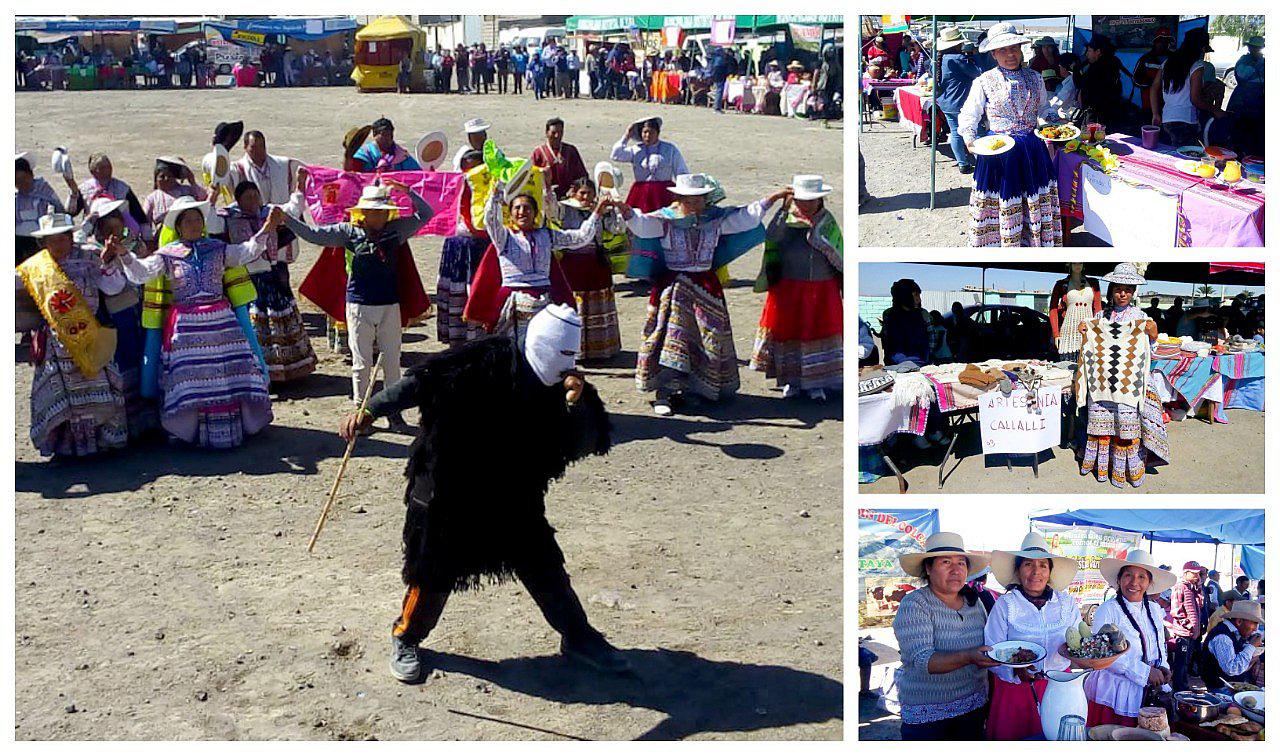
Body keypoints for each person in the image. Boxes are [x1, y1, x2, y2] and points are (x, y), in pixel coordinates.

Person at [337, 306, 628, 681]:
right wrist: (371, 410)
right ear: (538, 344)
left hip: (512, 495)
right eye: (559, 354)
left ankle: (580, 639)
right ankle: (406, 636)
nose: (565, 365)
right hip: (448, 488)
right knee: (432, 573)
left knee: (544, 566)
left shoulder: (567, 389)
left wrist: (577, 406)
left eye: (571, 357)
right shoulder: (482, 360)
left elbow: (584, 443)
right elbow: (421, 382)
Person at [107, 196, 282, 448]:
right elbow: (141, 273)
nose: (193, 224)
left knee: (228, 374)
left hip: (222, 324)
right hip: (187, 329)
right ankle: (192, 432)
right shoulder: (167, 255)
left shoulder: (217, 248)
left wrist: (267, 228)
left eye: (197, 219)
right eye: (188, 220)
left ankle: (235, 427)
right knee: (191, 379)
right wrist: (125, 254)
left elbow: (246, 252)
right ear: (178, 226)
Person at [620, 174, 784, 416]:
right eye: (690, 199)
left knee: (708, 338)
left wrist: (774, 198)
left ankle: (695, 389)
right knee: (671, 339)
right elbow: (640, 224)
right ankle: (664, 392)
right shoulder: (664, 220)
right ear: (679, 198)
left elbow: (746, 217)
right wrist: (623, 209)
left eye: (699, 199)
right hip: (674, 290)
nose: (695, 204)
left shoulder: (715, 220)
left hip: (706, 288)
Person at [287, 175, 432, 422]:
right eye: (376, 212)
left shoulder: (396, 229)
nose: (381, 217)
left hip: (389, 305)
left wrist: (407, 191)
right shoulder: (348, 232)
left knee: (392, 361)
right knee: (362, 363)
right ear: (364, 212)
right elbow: (314, 234)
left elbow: (426, 214)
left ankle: (392, 412)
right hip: (359, 305)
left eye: (384, 212)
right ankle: (361, 412)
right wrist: (287, 220)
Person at [15, 211, 130, 457]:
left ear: (70, 237)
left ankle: (101, 443)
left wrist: (108, 261)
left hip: (89, 335)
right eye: (52, 239)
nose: (58, 243)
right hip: (57, 344)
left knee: (97, 391)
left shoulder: (89, 257)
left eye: (62, 237)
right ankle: (67, 448)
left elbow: (114, 286)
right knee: (63, 397)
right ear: (43, 243)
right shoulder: (37, 268)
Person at [958, 23, 1062, 247]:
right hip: (998, 151)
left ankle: (1033, 242)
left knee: (1032, 198)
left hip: (1032, 150)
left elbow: (1044, 109)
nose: (1010, 54)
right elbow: (969, 114)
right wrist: (969, 138)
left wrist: (1055, 121)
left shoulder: (1035, 77)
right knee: (1003, 198)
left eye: (1014, 48)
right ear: (994, 54)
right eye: (1003, 50)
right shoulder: (984, 81)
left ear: (1021, 49)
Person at [463, 176, 600, 345]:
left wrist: (597, 213)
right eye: (517, 208)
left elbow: (580, 238)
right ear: (511, 214)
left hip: (544, 299)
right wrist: (496, 194)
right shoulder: (504, 237)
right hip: (513, 300)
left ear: (535, 213)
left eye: (527, 208)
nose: (522, 212)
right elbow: (490, 220)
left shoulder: (547, 235)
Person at [893, 532, 1000, 740]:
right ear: (928, 568)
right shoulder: (915, 604)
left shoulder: (974, 602)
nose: (955, 570)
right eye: (945, 562)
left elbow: (990, 646)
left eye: (961, 563)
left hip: (974, 707)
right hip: (929, 717)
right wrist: (969, 656)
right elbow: (922, 661)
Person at [750, 175, 842, 401]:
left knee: (818, 333)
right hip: (789, 289)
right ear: (793, 200)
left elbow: (839, 253)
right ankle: (791, 381)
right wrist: (783, 212)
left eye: (813, 200)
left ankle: (816, 383)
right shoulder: (784, 220)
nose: (808, 205)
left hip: (821, 290)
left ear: (821, 200)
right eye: (802, 200)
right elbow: (771, 238)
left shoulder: (827, 221)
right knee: (789, 334)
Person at [216, 180, 316, 384]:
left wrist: (299, 186)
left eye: (256, 196)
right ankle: (262, 372)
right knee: (255, 325)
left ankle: (289, 371)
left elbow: (294, 208)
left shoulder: (270, 213)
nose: (253, 201)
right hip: (247, 280)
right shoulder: (228, 218)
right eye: (248, 197)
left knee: (281, 320)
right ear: (238, 201)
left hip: (272, 275)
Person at [1078, 264, 1168, 487]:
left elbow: (1150, 348)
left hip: (1128, 385)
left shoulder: (1140, 317)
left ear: (1133, 292)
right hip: (1102, 384)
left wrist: (1152, 335)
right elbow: (1091, 343)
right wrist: (1084, 329)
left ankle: (1126, 473)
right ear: (1112, 290)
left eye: (1127, 290)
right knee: (1102, 429)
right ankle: (1103, 469)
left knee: (1125, 430)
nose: (1122, 294)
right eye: (1118, 289)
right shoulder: (1100, 316)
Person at [984, 533, 1081, 740]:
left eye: (1043, 565)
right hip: (1015, 690)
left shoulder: (1066, 603)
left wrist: (1084, 656)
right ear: (1018, 571)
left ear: (1049, 572)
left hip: (1058, 687)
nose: (1036, 572)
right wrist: (1014, 671)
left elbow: (1076, 644)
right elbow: (992, 651)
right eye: (1028, 564)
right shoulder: (1006, 605)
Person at [81, 197, 159, 439]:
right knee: (123, 367)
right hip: (114, 317)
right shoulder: (90, 252)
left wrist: (125, 250)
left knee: (141, 363)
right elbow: (110, 286)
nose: (115, 235)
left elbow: (144, 262)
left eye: (119, 229)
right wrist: (106, 258)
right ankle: (128, 426)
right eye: (109, 230)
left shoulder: (129, 246)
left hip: (135, 311)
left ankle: (148, 421)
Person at [1083, 551, 1175, 726]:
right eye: (1128, 575)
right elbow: (1104, 655)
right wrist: (1145, 672)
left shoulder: (1154, 610)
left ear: (1149, 583)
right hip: (1116, 693)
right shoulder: (1108, 610)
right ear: (1119, 580)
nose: (1134, 582)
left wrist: (1163, 665)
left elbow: (1159, 644)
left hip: (1149, 692)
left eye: (1142, 577)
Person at [554, 178, 622, 362]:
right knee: (576, 305)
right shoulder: (564, 209)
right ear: (574, 193)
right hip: (572, 265)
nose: (585, 197)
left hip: (596, 264)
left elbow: (617, 229)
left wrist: (615, 207)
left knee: (596, 306)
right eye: (582, 193)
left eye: (589, 193)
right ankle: (576, 350)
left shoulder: (601, 212)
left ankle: (600, 350)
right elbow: (550, 211)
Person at [228, 131, 302, 284]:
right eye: (254, 147)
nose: (259, 151)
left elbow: (302, 178)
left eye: (262, 146)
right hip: (252, 229)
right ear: (245, 147)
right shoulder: (236, 169)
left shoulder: (281, 165)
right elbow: (218, 176)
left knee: (280, 270)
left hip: (278, 225)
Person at [436, 148, 489, 347]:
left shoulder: (491, 187)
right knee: (459, 293)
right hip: (459, 248)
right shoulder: (456, 186)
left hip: (483, 247)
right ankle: (458, 338)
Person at [1152, 28, 1226, 148]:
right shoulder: (1197, 65)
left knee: (1170, 155)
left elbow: (1154, 87)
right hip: (1186, 121)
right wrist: (1215, 110)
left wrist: (1155, 113)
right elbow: (1195, 99)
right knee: (1184, 159)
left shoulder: (1168, 62)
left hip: (1167, 119)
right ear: (1202, 48)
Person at [610, 117, 689, 213]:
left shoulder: (670, 149)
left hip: (664, 193)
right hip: (641, 193)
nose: (647, 136)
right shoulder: (636, 150)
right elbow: (616, 155)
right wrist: (626, 136)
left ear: (657, 133)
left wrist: (683, 194)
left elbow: (681, 172)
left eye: (651, 132)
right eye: (645, 132)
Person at [935, 31, 983, 174]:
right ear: (957, 44)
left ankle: (963, 163)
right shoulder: (957, 58)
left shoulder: (940, 59)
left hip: (946, 102)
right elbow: (978, 72)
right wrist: (975, 56)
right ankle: (982, 163)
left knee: (955, 132)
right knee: (976, 131)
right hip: (960, 102)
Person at [16, 152, 71, 263]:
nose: (22, 183)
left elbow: (59, 211)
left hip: (41, 242)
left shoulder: (43, 190)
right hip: (18, 243)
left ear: (31, 175)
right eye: (17, 181)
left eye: (24, 178)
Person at [1197, 599, 1263, 691]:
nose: (1256, 629)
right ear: (1239, 621)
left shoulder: (1236, 632)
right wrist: (1251, 647)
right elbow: (1232, 669)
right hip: (1220, 689)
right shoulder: (1222, 637)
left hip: (1230, 686)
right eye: (1254, 623)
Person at [1049, 263, 1102, 361]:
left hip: (1088, 329)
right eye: (1074, 262)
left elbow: (1098, 309)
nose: (1078, 265)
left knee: (1088, 364)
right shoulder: (1061, 284)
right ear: (1069, 264)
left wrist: (1098, 330)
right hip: (1068, 331)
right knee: (1068, 365)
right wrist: (1056, 334)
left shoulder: (1093, 283)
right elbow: (1053, 310)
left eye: (1080, 262)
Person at [1167, 561, 1205, 691]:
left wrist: (1199, 587)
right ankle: (1179, 689)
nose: (1197, 576)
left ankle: (1183, 686)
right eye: (1194, 573)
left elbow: (1200, 605)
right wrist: (1189, 626)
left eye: (1198, 573)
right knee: (1181, 663)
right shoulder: (1180, 587)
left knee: (1186, 662)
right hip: (1183, 633)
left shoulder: (1192, 588)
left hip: (1190, 633)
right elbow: (1176, 611)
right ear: (1186, 573)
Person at [530, 117, 588, 200]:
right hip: (546, 196)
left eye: (560, 132)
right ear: (547, 133)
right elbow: (531, 176)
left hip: (569, 196)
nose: (557, 136)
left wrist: (574, 188)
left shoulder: (570, 150)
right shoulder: (539, 152)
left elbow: (582, 176)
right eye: (553, 133)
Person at [1226, 36, 1264, 157]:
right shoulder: (1243, 61)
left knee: (1256, 131)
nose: (1256, 50)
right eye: (1254, 47)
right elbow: (1242, 75)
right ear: (1249, 48)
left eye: (1258, 48)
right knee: (1239, 129)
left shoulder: (1264, 62)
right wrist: (1256, 66)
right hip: (1242, 100)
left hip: (1259, 100)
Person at [880, 279, 929, 366]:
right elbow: (891, 346)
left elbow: (927, 341)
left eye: (919, 295)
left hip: (921, 363)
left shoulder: (922, 314)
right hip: (899, 366)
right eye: (915, 295)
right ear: (904, 296)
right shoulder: (890, 316)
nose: (919, 299)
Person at [352, 118, 421, 173]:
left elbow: (417, 173)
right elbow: (353, 173)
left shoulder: (401, 154)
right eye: (384, 135)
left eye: (390, 134)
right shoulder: (364, 153)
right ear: (375, 134)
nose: (388, 138)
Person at [1134, 29, 1173, 120]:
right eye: (1161, 41)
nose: (1163, 44)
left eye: (1166, 41)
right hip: (1149, 106)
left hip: (1169, 106)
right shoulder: (1145, 59)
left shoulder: (1174, 59)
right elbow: (1135, 78)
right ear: (1155, 42)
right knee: (1150, 131)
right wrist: (1152, 84)